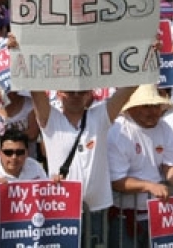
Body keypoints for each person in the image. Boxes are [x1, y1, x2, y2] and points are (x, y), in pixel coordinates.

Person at [31, 84, 136, 246]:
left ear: (89, 94)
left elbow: (129, 88)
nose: (75, 96)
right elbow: (34, 87)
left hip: (96, 209)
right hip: (62, 209)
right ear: (59, 93)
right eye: (70, 92)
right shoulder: (51, 119)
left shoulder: (99, 116)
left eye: (81, 92)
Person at [107, 84, 173, 247]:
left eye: (156, 106)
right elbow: (117, 180)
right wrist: (148, 186)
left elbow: (170, 166)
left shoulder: (165, 128)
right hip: (124, 217)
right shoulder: (118, 131)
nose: (153, 111)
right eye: (146, 106)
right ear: (133, 108)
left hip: (158, 216)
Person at [0, 128, 47, 248]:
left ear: (27, 153)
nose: (14, 157)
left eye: (19, 152)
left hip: (29, 242)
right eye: (8, 152)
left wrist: (56, 185)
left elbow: (47, 199)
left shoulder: (35, 167)